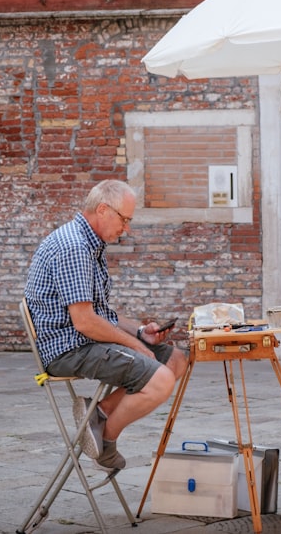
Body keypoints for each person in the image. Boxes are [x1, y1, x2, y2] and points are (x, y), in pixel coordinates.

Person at [25, 179, 188, 469]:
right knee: (159, 379)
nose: (127, 229)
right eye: (124, 220)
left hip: (85, 340)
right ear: (103, 210)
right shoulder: (74, 247)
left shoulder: (90, 245)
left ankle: (98, 413)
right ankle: (104, 442)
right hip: (68, 348)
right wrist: (137, 346)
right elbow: (85, 322)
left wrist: (140, 332)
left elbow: (100, 313)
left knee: (175, 361)